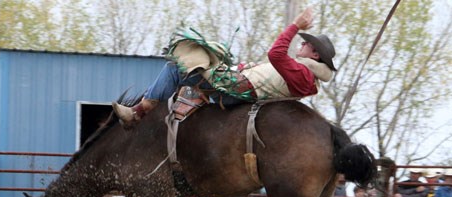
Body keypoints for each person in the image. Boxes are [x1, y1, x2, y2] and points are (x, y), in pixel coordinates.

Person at [113, 7, 336, 124]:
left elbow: (276, 54)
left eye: (307, 44)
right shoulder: (305, 74)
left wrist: (295, 25)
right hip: (242, 87)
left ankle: (138, 113)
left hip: (237, 92)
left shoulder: (303, 73)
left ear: (315, 54)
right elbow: (273, 65)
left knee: (176, 66)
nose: (302, 43)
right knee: (200, 62)